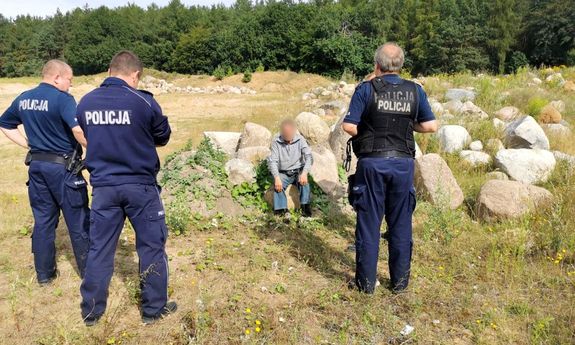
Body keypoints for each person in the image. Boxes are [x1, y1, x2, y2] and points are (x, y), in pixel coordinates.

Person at [77, 51, 175, 326]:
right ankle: (153, 311)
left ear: (110, 71)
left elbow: (88, 132)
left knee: (100, 249)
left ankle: (91, 312)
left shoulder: (86, 102)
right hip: (140, 188)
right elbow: (163, 137)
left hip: (104, 189)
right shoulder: (143, 101)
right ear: (135, 75)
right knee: (152, 247)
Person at [342, 43, 438, 294]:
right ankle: (399, 284)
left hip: (372, 164)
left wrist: (371, 130)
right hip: (403, 164)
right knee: (401, 224)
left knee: (369, 224)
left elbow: (349, 127)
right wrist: (408, 125)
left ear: (377, 65)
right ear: (400, 66)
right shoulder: (414, 91)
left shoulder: (365, 89)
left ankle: (365, 285)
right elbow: (430, 126)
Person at [0, 60, 90, 286]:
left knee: (43, 222)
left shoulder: (24, 98)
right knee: (78, 222)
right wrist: (96, 148)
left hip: (37, 168)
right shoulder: (63, 99)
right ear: (57, 77)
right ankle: (90, 275)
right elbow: (78, 130)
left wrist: (29, 144)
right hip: (63, 169)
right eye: (69, 80)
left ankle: (44, 276)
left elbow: (5, 124)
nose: (70, 85)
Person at [267, 119, 313, 217]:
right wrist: (276, 178)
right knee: (278, 186)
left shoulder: (300, 139)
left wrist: (304, 173)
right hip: (283, 172)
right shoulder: (276, 142)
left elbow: (309, 157)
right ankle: (283, 211)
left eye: (289, 134)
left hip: (298, 171)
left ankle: (305, 209)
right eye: (285, 134)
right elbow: (273, 162)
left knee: (304, 183)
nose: (287, 137)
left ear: (294, 131)